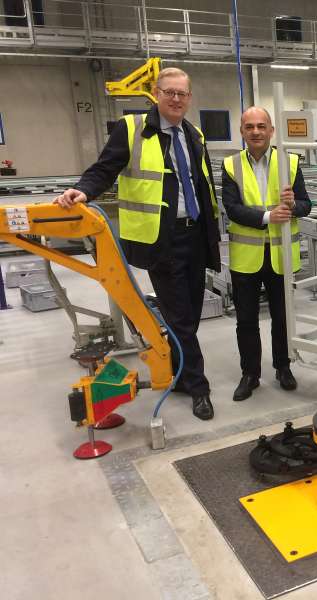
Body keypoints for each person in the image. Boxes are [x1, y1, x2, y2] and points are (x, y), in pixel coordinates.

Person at [54, 67, 221, 421]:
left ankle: (178, 375)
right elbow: (104, 168)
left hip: (195, 235)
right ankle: (199, 386)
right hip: (161, 238)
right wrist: (82, 190)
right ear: (156, 94)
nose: (176, 99)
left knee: (188, 312)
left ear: (189, 98)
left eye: (182, 93)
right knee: (181, 316)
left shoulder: (195, 134)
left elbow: (201, 184)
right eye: (169, 92)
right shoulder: (131, 130)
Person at [221, 107, 311, 402]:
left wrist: (293, 206)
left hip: (281, 256)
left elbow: (305, 205)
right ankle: (250, 374)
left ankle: (283, 368)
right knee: (245, 319)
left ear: (272, 131)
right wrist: (268, 217)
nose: (256, 131)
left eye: (261, 126)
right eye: (250, 127)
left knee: (282, 318)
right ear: (242, 131)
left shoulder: (291, 162)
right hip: (246, 258)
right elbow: (232, 208)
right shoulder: (231, 165)